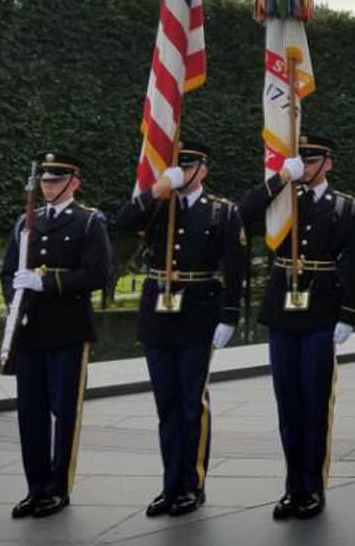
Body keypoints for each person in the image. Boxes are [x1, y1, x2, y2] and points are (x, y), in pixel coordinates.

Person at [238, 134, 355, 520]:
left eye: (312, 161)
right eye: (302, 161)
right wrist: (280, 178)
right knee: (288, 402)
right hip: (282, 308)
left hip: (321, 310)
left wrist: (348, 314)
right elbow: (243, 213)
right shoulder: (281, 200)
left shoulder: (345, 207)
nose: (306, 167)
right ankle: (292, 485)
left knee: (314, 401)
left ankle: (312, 486)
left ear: (328, 163)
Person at [115, 140, 245, 517]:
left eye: (188, 167)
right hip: (157, 312)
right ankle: (170, 484)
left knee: (191, 403)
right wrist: (155, 190)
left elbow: (235, 269)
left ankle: (192, 484)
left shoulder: (222, 212)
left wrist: (229, 316)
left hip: (198, 310)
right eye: (177, 167)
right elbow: (122, 222)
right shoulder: (157, 203)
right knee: (166, 404)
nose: (181, 173)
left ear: (202, 170)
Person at [0, 151, 111, 519]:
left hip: (68, 328)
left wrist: (45, 283)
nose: (48, 186)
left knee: (64, 411)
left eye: (56, 180)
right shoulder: (24, 223)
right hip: (30, 331)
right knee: (29, 412)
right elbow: (7, 272)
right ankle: (35, 487)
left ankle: (58, 489)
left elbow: (97, 274)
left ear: (74, 182)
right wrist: (16, 304)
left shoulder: (89, 221)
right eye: (45, 180)